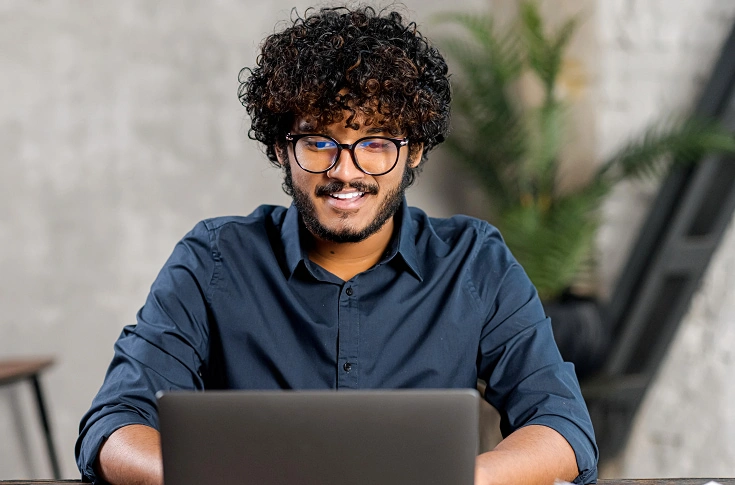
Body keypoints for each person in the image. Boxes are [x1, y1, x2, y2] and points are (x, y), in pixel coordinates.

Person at [75, 5, 598, 485]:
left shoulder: (474, 261)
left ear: (414, 151)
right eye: (319, 142)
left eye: (376, 143)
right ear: (282, 149)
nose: (345, 171)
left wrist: (461, 482)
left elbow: (561, 426)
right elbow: (115, 426)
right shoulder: (212, 259)